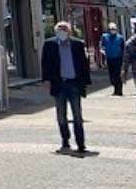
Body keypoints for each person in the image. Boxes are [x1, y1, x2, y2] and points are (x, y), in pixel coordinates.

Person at [40, 21, 91, 155]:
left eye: (64, 29)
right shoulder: (49, 44)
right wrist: (46, 80)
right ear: (56, 31)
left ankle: (81, 143)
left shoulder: (77, 44)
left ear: (69, 31)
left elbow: (84, 65)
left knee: (77, 116)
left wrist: (85, 83)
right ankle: (65, 141)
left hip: (74, 83)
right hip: (59, 84)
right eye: (59, 29)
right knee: (61, 116)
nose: (62, 32)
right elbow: (45, 63)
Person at [100, 23, 126, 96]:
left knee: (117, 75)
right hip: (109, 58)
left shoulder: (120, 37)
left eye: (114, 29)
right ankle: (115, 89)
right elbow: (101, 46)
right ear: (109, 30)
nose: (113, 30)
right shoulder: (104, 37)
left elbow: (123, 48)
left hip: (118, 58)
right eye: (111, 29)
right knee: (111, 76)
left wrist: (124, 59)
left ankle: (119, 91)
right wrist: (103, 53)